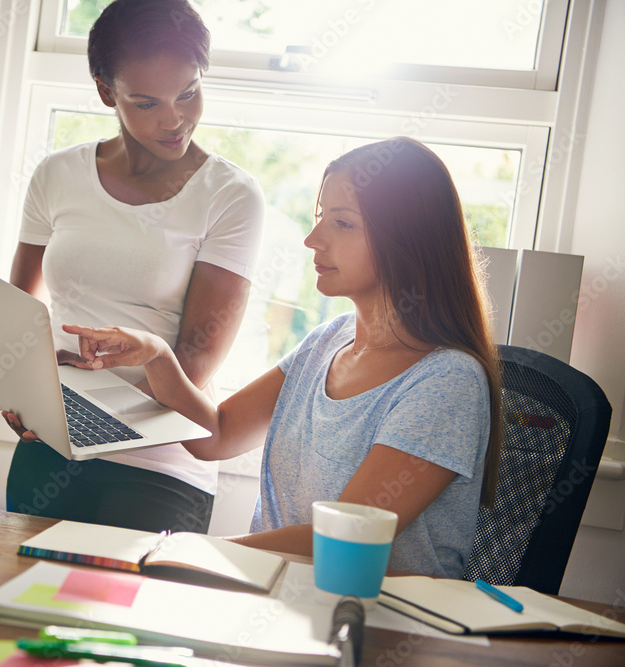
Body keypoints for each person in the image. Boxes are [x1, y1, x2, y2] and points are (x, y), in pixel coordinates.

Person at [56, 137, 503, 579]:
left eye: (343, 224)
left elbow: (345, 539)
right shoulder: (326, 341)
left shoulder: (446, 381)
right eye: (321, 217)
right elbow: (217, 436)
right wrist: (157, 356)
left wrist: (192, 551)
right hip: (278, 599)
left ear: (408, 239)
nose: (313, 239)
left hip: (377, 625)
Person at [3, 0, 265, 534]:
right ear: (106, 92)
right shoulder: (57, 175)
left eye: (188, 93)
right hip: (55, 445)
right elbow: (18, 311)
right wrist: (19, 389)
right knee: (13, 604)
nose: (174, 119)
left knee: (118, 615)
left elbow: (195, 359)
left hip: (160, 462)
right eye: (146, 103)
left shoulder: (230, 196)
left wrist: (84, 411)